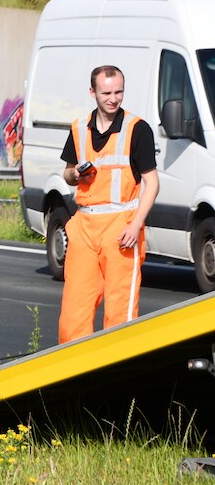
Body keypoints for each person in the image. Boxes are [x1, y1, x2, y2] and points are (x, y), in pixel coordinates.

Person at [58, 65, 159, 344]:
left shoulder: (137, 129)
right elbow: (67, 174)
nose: (114, 98)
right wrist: (75, 173)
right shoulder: (79, 128)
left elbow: (152, 183)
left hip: (121, 228)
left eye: (119, 92)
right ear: (93, 92)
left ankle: (119, 381)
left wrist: (136, 224)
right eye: (106, 93)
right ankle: (73, 377)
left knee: (119, 316)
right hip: (84, 226)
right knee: (73, 314)